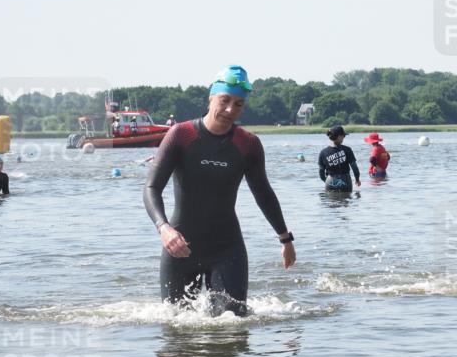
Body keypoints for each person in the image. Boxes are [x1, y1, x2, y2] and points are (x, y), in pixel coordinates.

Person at [143, 65, 296, 316]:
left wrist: (285, 238)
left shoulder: (248, 144)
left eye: (238, 104)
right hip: (179, 247)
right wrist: (164, 228)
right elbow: (151, 187)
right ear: (211, 97)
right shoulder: (181, 135)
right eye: (224, 100)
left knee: (231, 327)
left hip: (227, 249)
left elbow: (263, 193)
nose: (229, 110)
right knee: (176, 332)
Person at [318, 124, 361, 191]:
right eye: (343, 136)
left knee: (331, 200)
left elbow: (321, 173)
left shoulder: (323, 153)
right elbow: (354, 167)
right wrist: (357, 180)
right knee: (346, 199)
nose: (344, 137)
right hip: (345, 181)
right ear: (339, 136)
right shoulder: (347, 150)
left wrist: (327, 182)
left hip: (330, 182)